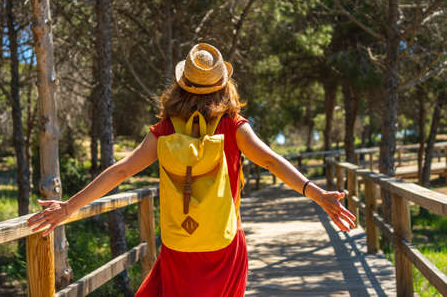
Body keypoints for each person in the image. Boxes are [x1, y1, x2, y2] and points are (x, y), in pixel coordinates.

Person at [28, 43, 356, 296]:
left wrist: (68, 208)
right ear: (223, 86)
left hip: (179, 246)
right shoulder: (233, 127)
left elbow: (121, 171)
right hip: (224, 246)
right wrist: (317, 194)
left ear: (181, 85)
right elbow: (271, 160)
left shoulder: (164, 131)